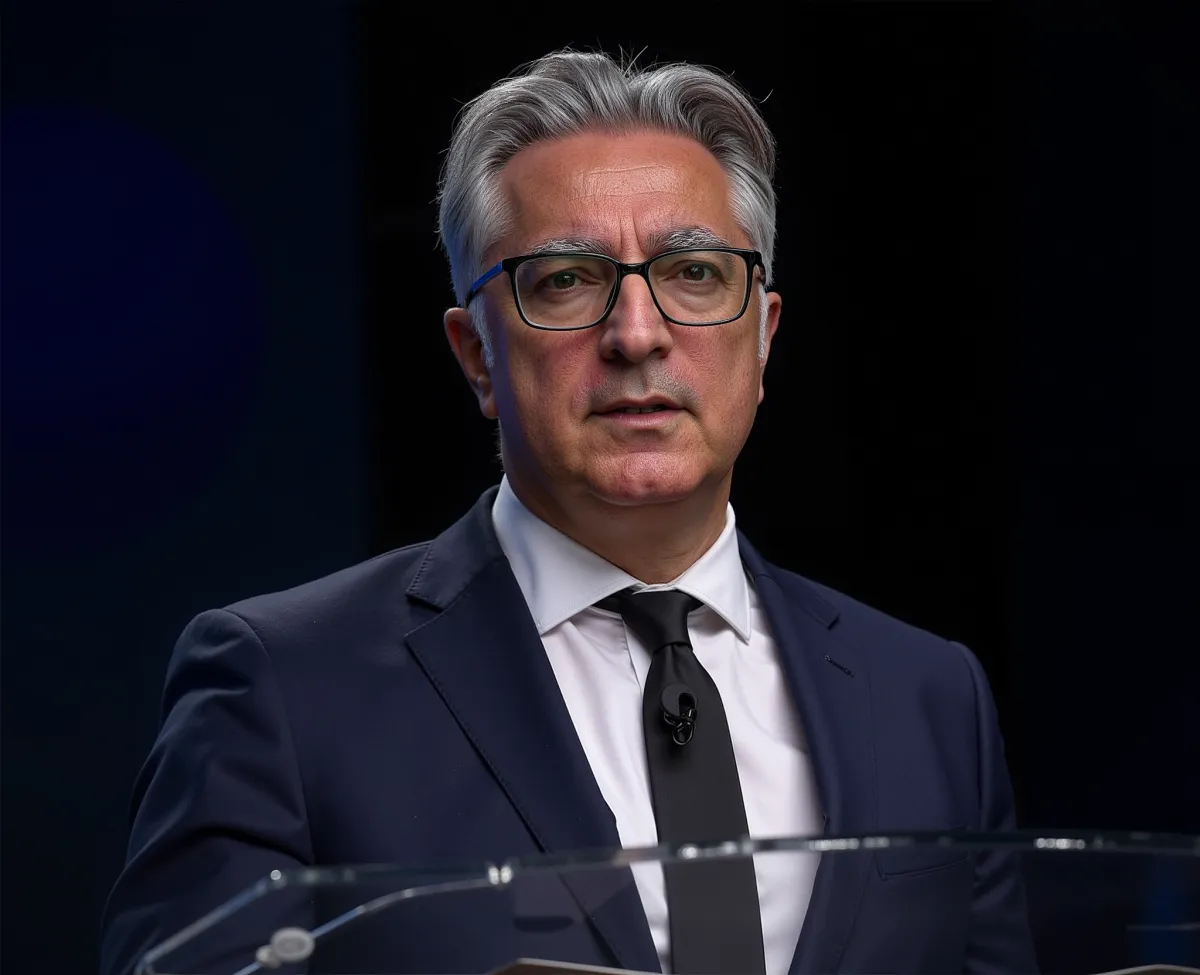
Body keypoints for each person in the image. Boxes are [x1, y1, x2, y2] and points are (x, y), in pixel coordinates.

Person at [101, 49, 1037, 975]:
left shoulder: (930, 696)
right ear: (477, 356)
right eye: (566, 280)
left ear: (763, 335)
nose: (638, 334)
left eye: (695, 272)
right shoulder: (285, 688)